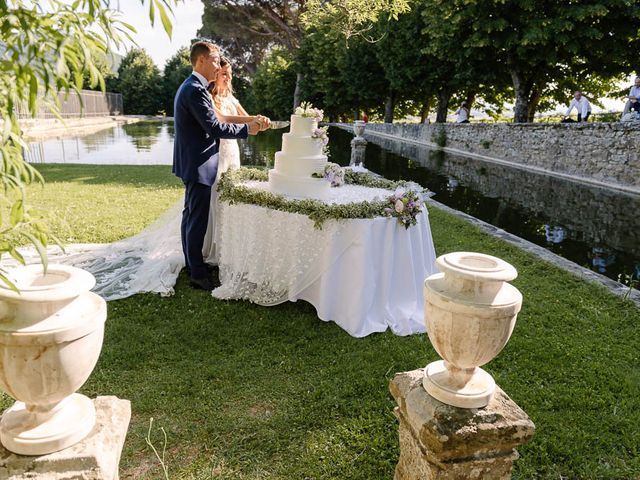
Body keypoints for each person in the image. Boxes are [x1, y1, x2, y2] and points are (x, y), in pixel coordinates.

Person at [173, 41, 264, 291]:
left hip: (193, 162)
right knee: (197, 220)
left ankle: (192, 264)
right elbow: (214, 127)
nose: (218, 65)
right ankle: (198, 274)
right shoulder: (194, 89)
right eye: (215, 60)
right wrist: (247, 129)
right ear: (201, 61)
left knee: (190, 216)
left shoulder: (194, 87)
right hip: (199, 164)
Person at [202, 57, 268, 263]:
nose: (228, 77)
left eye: (230, 73)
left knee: (231, 197)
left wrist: (261, 122)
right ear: (215, 75)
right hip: (217, 153)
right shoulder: (208, 97)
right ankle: (209, 245)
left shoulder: (231, 97)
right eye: (224, 73)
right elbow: (222, 119)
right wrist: (253, 120)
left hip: (233, 153)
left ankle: (226, 244)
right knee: (215, 198)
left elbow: (249, 122)